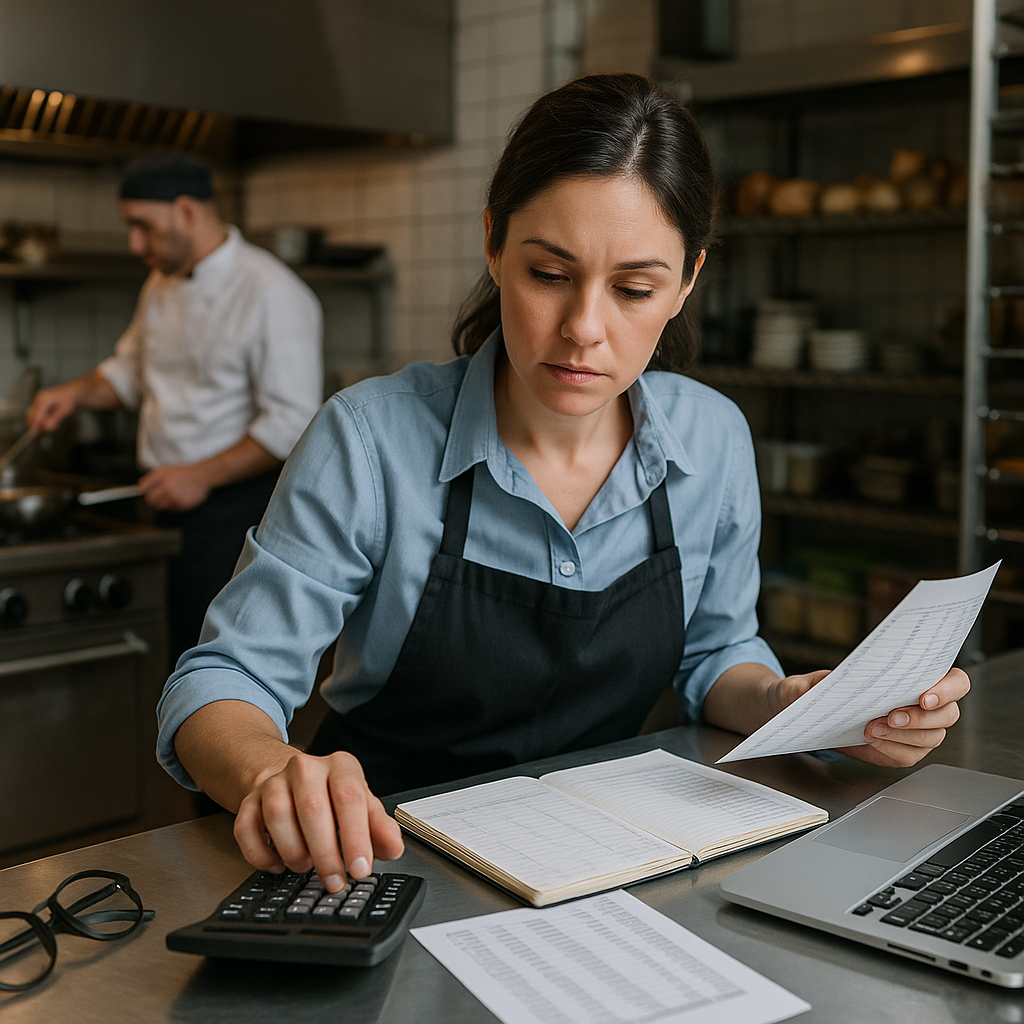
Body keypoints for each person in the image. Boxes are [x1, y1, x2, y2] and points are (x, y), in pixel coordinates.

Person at [156, 74, 969, 895]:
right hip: (381, 863)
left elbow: (717, 655)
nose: (584, 328)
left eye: (634, 290)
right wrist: (269, 771)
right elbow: (220, 683)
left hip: (607, 864)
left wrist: (805, 711)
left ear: (688, 280)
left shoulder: (713, 438)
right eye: (550, 273)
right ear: (493, 246)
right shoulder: (370, 439)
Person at [26, 153, 324, 665]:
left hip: (231, 516)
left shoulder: (272, 291)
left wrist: (202, 475)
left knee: (211, 661)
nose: (134, 245)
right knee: (163, 655)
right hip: (162, 500)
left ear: (186, 210)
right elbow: (127, 375)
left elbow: (292, 422)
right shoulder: (160, 283)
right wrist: (73, 394)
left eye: (142, 226)